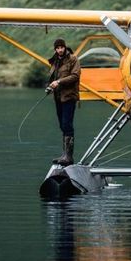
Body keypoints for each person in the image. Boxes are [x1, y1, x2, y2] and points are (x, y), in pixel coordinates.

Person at [48, 38, 81, 166]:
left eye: (62, 47)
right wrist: (50, 86)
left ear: (65, 47)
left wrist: (59, 82)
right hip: (58, 97)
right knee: (62, 125)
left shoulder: (73, 59)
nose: (60, 50)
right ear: (55, 49)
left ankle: (69, 157)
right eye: (57, 48)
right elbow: (53, 77)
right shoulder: (55, 61)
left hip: (69, 97)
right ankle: (64, 155)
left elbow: (75, 76)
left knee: (67, 124)